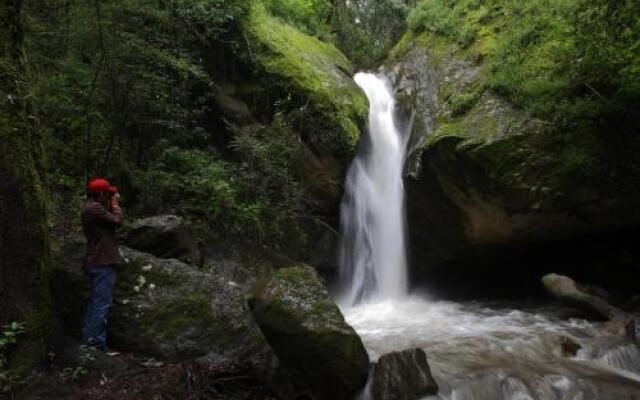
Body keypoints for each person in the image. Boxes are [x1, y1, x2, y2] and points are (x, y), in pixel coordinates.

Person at [81, 177, 123, 352]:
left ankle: (90, 341)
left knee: (95, 303)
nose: (110, 196)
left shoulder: (91, 208)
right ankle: (97, 344)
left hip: (97, 261)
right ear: (100, 194)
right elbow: (117, 222)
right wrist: (115, 204)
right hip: (103, 262)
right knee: (101, 303)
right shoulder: (95, 208)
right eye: (108, 194)